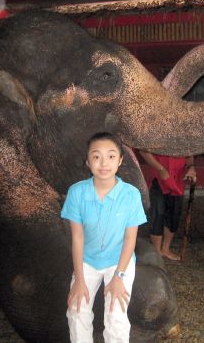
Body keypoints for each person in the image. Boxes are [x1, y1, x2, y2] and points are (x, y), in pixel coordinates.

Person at [61, 132, 147, 343]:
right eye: (96, 156)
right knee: (76, 308)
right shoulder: (77, 192)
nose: (103, 163)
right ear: (88, 162)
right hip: (87, 260)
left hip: (119, 261)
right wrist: (79, 280)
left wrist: (119, 277)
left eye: (110, 156)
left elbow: (130, 240)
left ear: (120, 161)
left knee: (116, 314)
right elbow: (77, 238)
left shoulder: (131, 194)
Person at [139, 151, 196, 261]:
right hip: (158, 178)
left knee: (173, 215)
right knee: (157, 214)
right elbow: (144, 151)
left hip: (177, 179)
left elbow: (189, 154)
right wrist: (160, 168)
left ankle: (165, 249)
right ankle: (157, 251)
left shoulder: (185, 135)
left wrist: (191, 167)